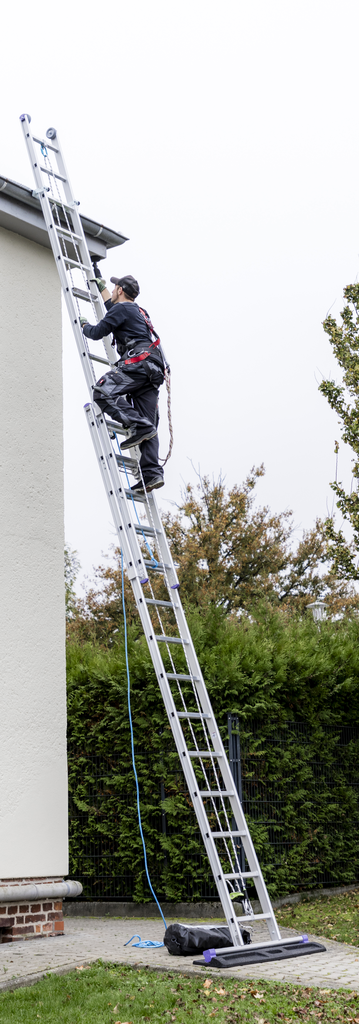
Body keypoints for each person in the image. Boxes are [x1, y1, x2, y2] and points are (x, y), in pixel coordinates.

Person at [80, 271, 166, 493]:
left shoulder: (122, 309)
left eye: (114, 288)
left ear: (120, 290)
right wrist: (100, 287)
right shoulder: (137, 311)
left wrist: (84, 326)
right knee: (149, 425)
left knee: (102, 391)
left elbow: (99, 331)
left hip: (138, 364)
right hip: (153, 369)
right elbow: (113, 309)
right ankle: (152, 474)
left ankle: (139, 425)